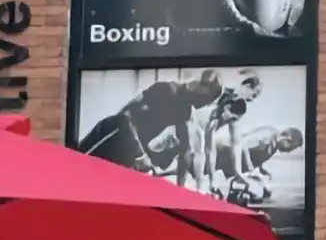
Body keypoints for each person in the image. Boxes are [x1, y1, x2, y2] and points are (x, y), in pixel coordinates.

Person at [76, 70, 226, 174]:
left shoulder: (185, 111)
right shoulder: (164, 90)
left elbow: (185, 150)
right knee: (76, 170)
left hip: (128, 150)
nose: (205, 104)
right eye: (207, 99)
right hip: (113, 134)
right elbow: (126, 116)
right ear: (198, 86)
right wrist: (140, 154)